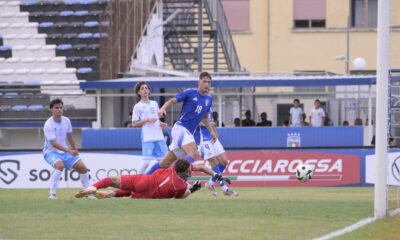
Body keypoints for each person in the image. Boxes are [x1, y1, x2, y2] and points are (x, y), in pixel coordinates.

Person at [145, 72, 216, 175]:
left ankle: (143, 178)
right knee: (193, 152)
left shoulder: (208, 99)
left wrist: (211, 131)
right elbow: (172, 100)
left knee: (164, 164)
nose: (206, 84)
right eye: (204, 81)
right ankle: (177, 176)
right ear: (199, 82)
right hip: (180, 129)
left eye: (209, 82)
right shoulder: (190, 93)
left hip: (186, 133)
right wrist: (163, 108)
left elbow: (205, 118)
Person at [74, 158, 231, 199]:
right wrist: (193, 189)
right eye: (189, 172)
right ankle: (108, 195)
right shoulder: (180, 186)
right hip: (147, 193)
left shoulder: (174, 167)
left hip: (144, 180)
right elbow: (181, 197)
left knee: (112, 180)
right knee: (127, 193)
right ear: (183, 172)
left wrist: (216, 175)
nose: (191, 172)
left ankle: (92, 189)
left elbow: (202, 167)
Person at [43, 99, 90, 199]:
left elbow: (69, 136)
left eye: (60, 107)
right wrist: (69, 150)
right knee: (59, 165)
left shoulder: (66, 120)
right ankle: (52, 194)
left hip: (64, 151)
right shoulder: (48, 124)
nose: (59, 110)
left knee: (83, 168)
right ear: (51, 110)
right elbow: (54, 143)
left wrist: (75, 149)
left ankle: (87, 193)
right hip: (51, 152)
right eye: (56, 108)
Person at [194, 107, 238, 196]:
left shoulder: (209, 106)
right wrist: (208, 124)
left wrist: (214, 130)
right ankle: (224, 188)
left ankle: (211, 182)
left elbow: (209, 122)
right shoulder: (197, 106)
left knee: (224, 161)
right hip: (203, 140)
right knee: (214, 163)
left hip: (212, 138)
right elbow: (194, 123)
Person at [131, 81, 168, 174]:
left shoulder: (154, 103)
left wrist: (161, 123)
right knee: (146, 162)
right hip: (148, 137)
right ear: (139, 92)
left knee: (164, 162)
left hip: (159, 136)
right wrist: (146, 120)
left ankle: (160, 183)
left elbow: (156, 118)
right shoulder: (137, 106)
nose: (145, 90)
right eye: (142, 88)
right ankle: (136, 182)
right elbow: (134, 124)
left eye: (146, 88)